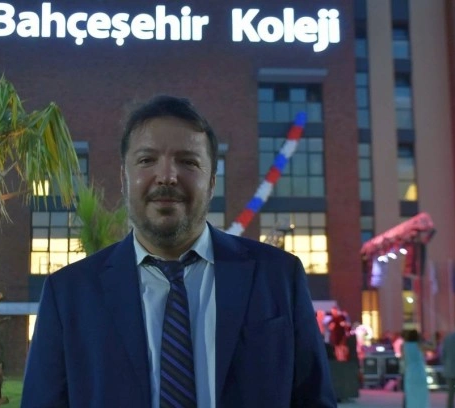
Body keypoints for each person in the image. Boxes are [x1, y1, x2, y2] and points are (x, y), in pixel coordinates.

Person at [21, 95, 337, 407]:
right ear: (124, 178)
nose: (167, 176)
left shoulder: (279, 277)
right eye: (147, 160)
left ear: (211, 182)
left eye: (188, 162)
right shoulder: (69, 294)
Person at [401, 329, 429, 408]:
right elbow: (432, 347)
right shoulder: (419, 345)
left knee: (410, 393)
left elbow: (403, 359)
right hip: (420, 371)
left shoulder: (404, 346)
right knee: (421, 394)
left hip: (410, 371)